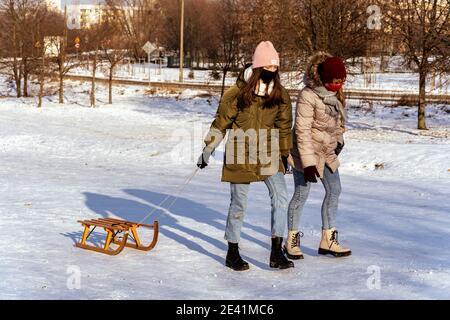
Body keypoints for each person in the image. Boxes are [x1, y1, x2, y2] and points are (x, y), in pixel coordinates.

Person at [197, 41, 294, 271]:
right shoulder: (237, 93)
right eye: (268, 69)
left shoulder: (280, 95)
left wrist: (284, 155)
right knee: (239, 202)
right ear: (258, 68)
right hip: (240, 151)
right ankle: (232, 251)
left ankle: (276, 251)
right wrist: (207, 150)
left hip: (268, 152)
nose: (272, 74)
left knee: (280, 197)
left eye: (275, 70)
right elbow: (221, 123)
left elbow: (283, 126)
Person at [285, 52, 352, 259]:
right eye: (335, 81)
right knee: (301, 194)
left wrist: (339, 141)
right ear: (324, 78)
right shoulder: (308, 95)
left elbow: (338, 123)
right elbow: (302, 131)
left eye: (342, 81)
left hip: (327, 151)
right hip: (304, 154)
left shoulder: (337, 94)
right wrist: (308, 164)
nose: (338, 84)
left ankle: (328, 240)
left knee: (335, 190)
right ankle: (292, 240)